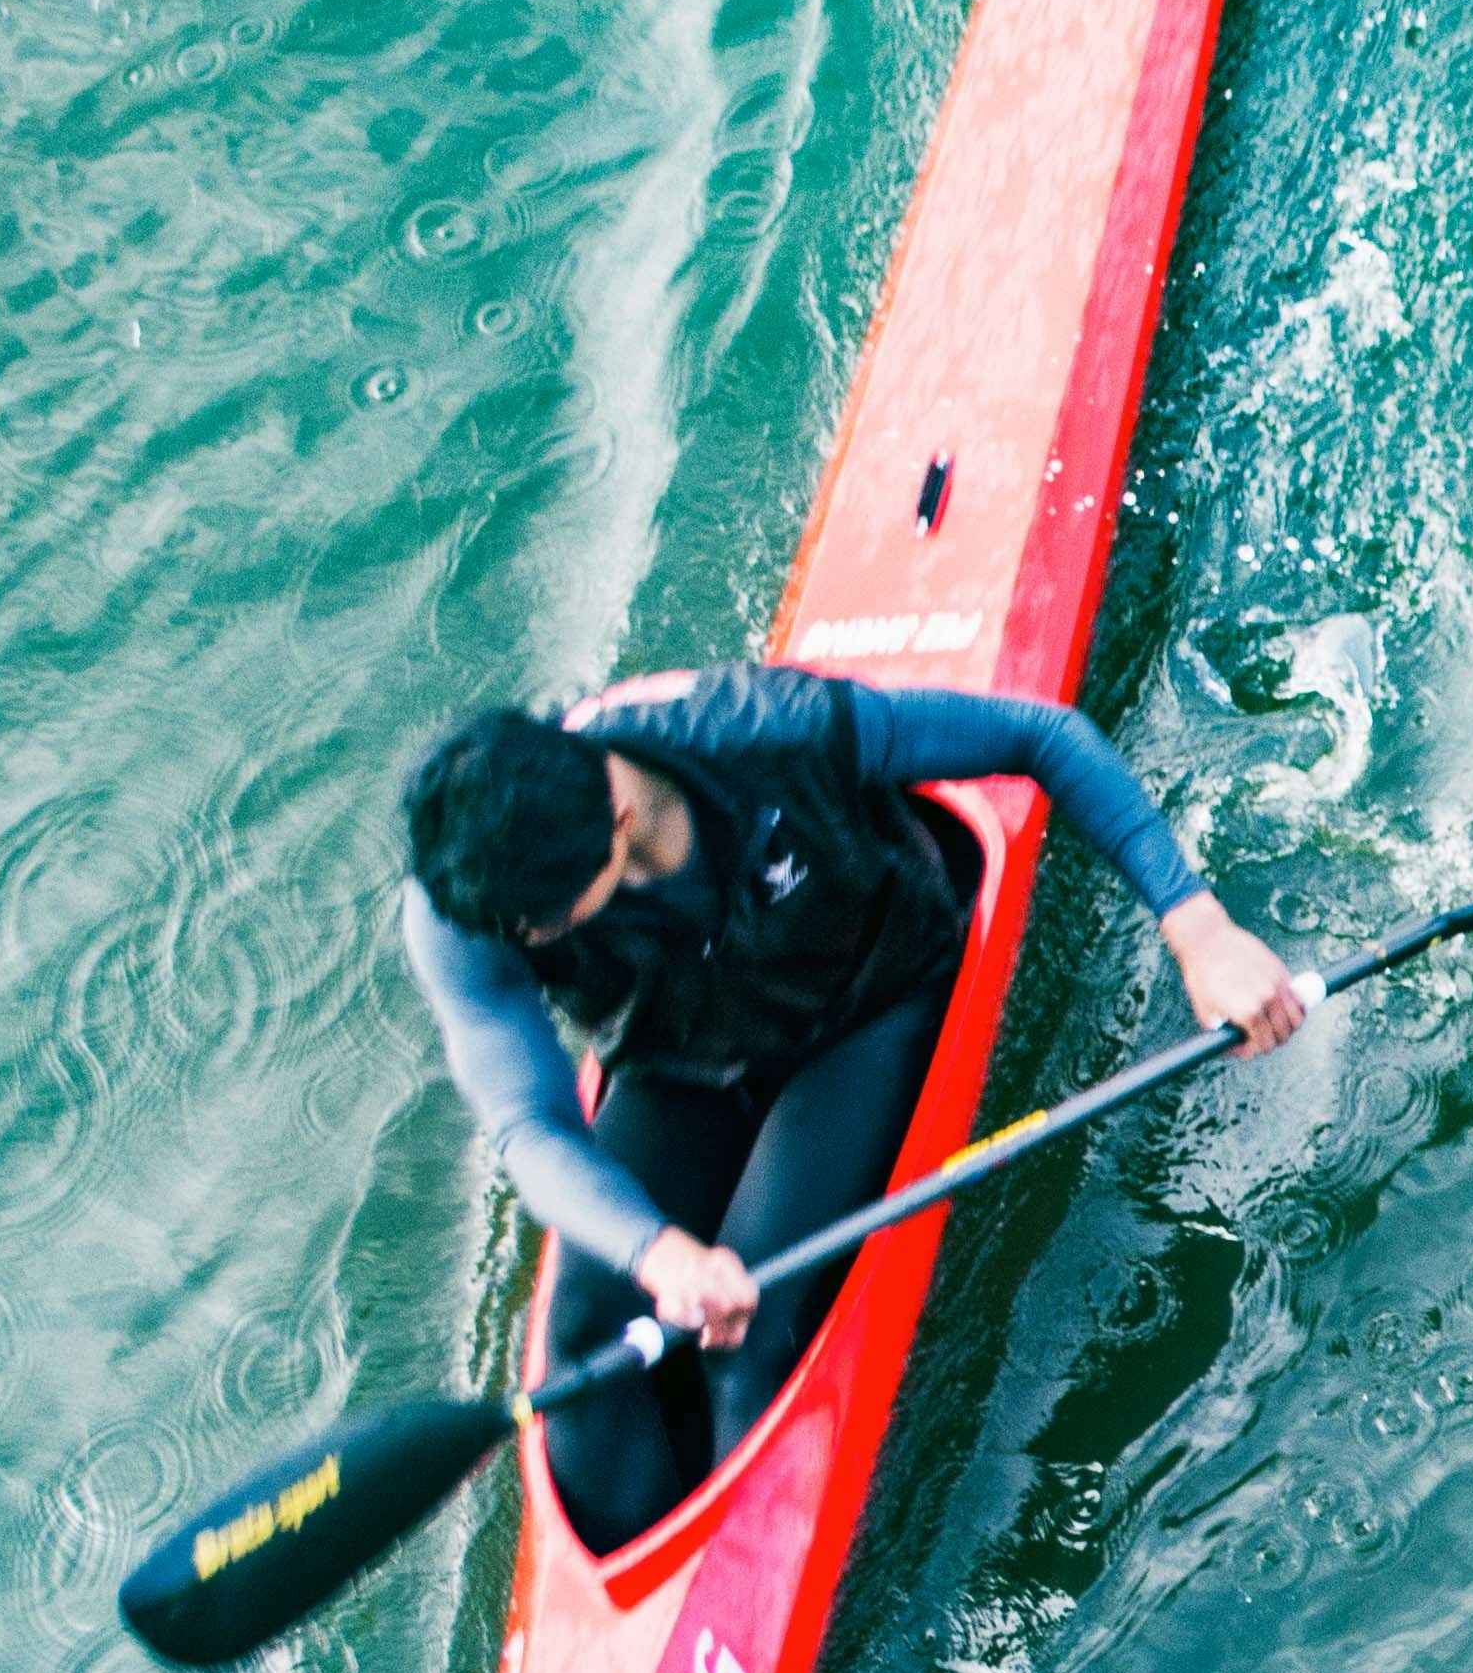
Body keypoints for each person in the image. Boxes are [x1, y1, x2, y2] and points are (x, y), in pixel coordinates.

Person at [400, 663, 1305, 1553]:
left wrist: (1199, 929)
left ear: (620, 823)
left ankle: (748, 1571)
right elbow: (531, 1129)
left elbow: (1042, 736)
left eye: (546, 924)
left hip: (863, 1006)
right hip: (681, 1056)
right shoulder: (467, 902)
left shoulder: (770, 729)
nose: (524, 943)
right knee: (583, 1346)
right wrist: (656, 1249)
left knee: (749, 1345)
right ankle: (643, 1587)